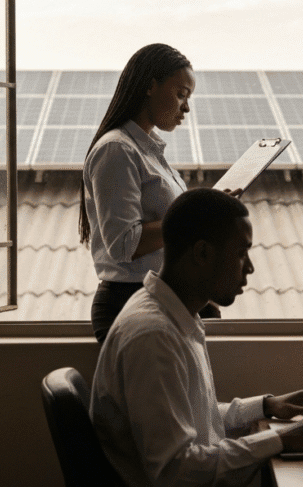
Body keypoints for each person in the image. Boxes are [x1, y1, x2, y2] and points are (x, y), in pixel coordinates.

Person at [90, 188, 303, 487]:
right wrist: (279, 439)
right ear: (202, 253)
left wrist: (267, 407)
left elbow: (193, 420)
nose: (250, 268)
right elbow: (175, 472)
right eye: (241, 253)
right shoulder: (152, 336)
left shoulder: (175, 316)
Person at [81, 43, 231, 343]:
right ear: (151, 86)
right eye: (181, 94)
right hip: (131, 304)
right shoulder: (117, 149)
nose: (186, 108)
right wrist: (195, 218)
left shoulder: (147, 150)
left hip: (160, 299)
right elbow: (125, 244)